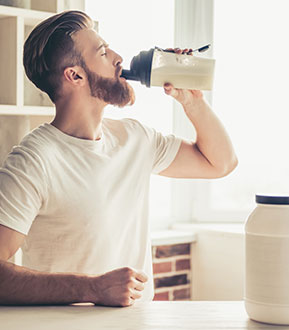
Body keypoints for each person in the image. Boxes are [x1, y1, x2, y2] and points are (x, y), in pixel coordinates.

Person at [0, 10, 237, 307]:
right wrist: (91, 289)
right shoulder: (34, 161)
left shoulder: (135, 138)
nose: (118, 58)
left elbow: (220, 163)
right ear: (75, 75)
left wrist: (191, 100)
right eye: (102, 52)